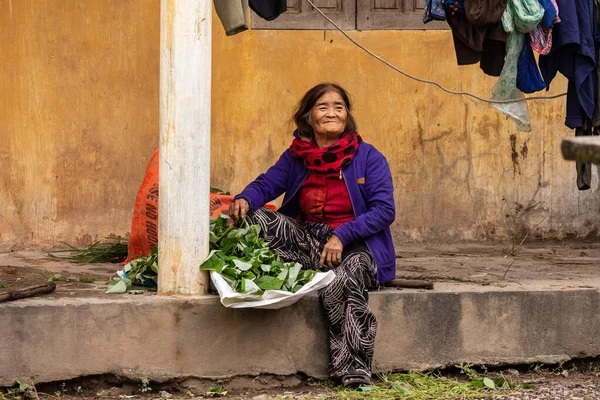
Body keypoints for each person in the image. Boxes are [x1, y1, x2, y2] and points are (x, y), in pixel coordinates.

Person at [229, 83, 396, 388]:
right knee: (252, 217)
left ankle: (354, 369)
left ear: (347, 115)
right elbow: (267, 184)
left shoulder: (369, 157)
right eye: (323, 107)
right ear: (308, 116)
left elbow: (385, 211)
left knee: (347, 279)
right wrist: (244, 198)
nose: (332, 113)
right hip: (308, 241)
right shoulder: (297, 156)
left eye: (339, 107)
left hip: (354, 244)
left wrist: (343, 235)